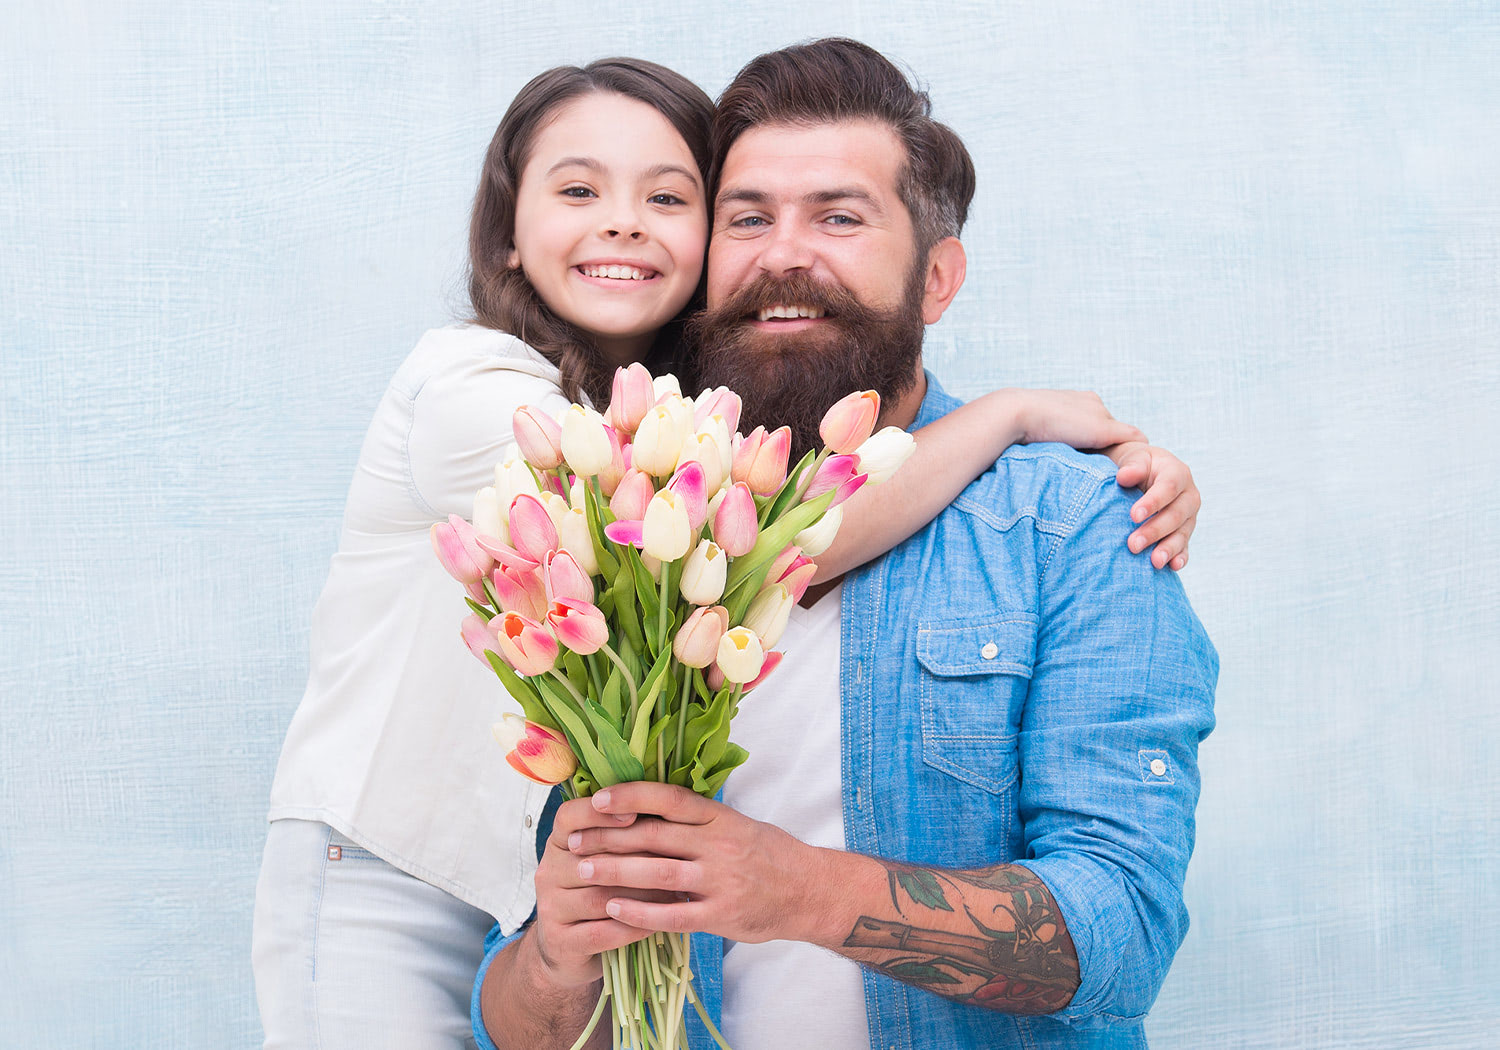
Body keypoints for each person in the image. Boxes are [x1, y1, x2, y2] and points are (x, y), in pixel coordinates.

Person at [252, 56, 1200, 1050]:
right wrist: (558, 963)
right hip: (378, 881)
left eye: (839, 217)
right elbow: (532, 1004)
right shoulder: (614, 535)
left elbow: (1125, 934)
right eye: (747, 218)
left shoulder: (1073, 521)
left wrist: (800, 890)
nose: (782, 255)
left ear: (937, 277)